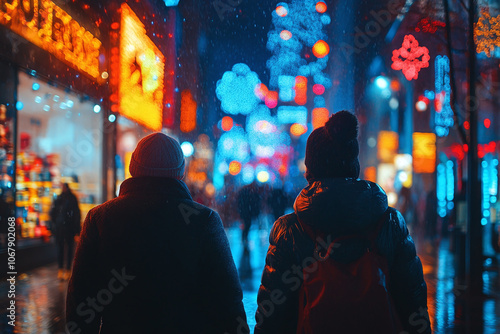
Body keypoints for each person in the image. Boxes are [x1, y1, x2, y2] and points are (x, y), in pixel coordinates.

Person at [255, 111, 430, 334]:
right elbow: (413, 303)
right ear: (353, 164)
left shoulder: (289, 230)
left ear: (310, 169)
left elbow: (272, 315)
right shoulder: (390, 223)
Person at [66, 133, 248, 334]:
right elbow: (226, 299)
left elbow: (81, 298)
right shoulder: (203, 220)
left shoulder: (101, 218)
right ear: (180, 172)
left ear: (133, 168)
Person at [50, 183, 81, 280]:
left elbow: (53, 213)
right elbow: (76, 214)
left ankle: (65, 269)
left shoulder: (62, 198)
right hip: (65, 228)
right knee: (65, 249)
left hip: (65, 228)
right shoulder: (65, 198)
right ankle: (64, 269)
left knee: (65, 249)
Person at [237, 181, 261, 248]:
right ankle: (244, 237)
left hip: (246, 212)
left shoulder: (245, 192)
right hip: (247, 212)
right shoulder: (249, 193)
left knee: (246, 225)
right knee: (247, 225)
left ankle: (244, 238)